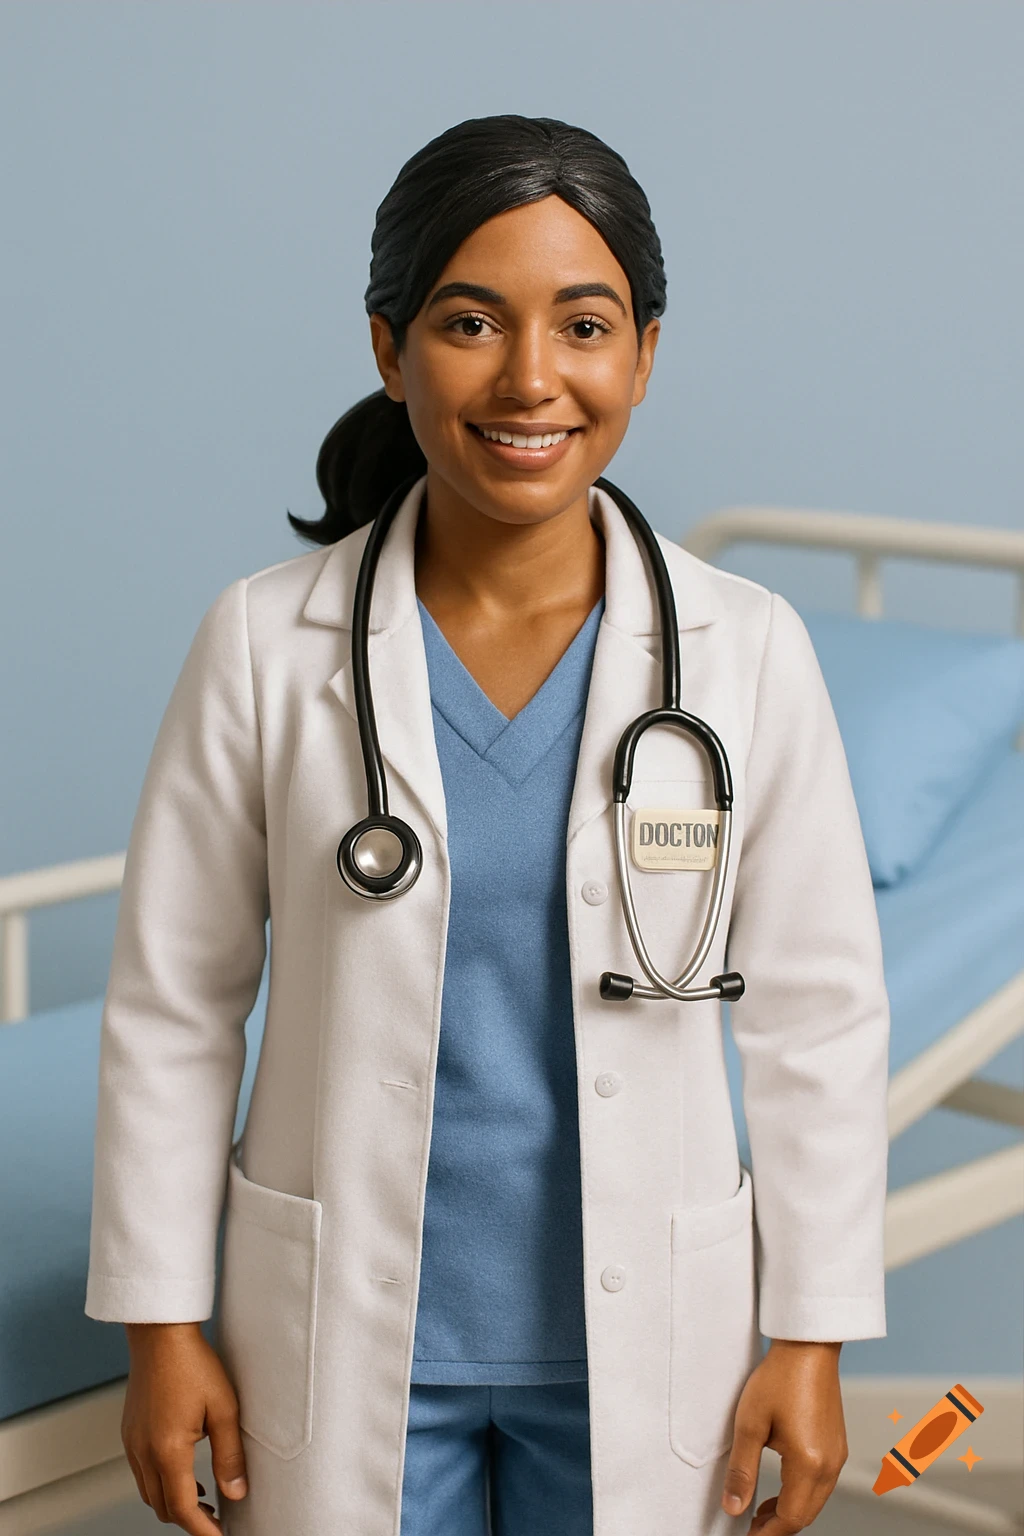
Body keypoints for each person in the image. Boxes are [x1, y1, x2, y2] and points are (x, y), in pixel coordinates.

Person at [86, 115, 890, 1536]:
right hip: (347, 1338)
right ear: (389, 350)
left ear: (644, 352)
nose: (530, 378)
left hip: (651, 1341)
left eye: (584, 325)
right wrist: (163, 1326)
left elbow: (819, 1017)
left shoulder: (746, 650)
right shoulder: (266, 644)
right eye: (470, 323)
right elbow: (174, 1006)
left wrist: (810, 1337)